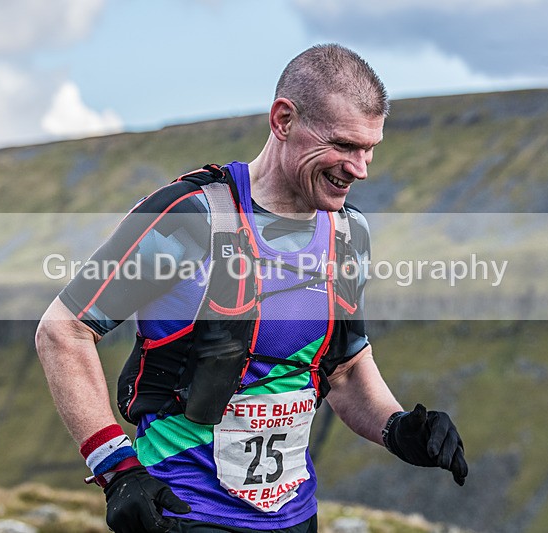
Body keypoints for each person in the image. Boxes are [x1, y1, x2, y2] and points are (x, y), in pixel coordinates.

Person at [36, 43, 468, 533]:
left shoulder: (349, 234)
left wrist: (399, 430)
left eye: (370, 149)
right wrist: (116, 470)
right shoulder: (190, 219)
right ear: (283, 119)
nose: (360, 168)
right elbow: (63, 330)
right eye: (344, 145)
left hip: (295, 517)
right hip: (184, 513)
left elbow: (343, 369)